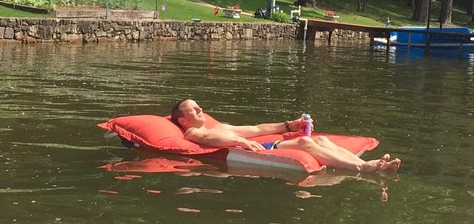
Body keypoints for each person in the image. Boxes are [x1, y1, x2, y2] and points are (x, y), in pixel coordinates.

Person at [170, 99, 401, 174]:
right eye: (194, 109)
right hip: (255, 149)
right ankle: (363, 169)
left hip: (266, 144)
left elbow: (257, 129)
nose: (200, 109)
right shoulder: (193, 132)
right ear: (183, 120)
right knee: (305, 142)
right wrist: (239, 141)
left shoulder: (218, 125)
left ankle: (365, 163)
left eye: (199, 106)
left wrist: (289, 124)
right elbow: (207, 142)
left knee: (319, 140)